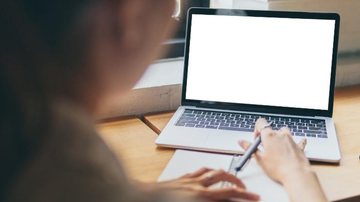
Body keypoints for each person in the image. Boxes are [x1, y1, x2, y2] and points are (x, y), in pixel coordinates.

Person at [0, 0, 327, 201]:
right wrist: (297, 173)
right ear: (131, 13)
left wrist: (135, 191)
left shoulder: (25, 124)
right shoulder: (66, 165)